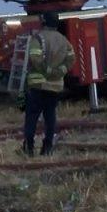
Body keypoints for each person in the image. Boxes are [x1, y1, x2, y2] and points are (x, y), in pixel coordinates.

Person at [22, 12, 74, 157]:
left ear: (43, 22)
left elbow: (35, 58)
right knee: (50, 117)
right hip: (55, 86)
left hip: (38, 86)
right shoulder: (63, 40)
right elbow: (71, 58)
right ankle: (48, 147)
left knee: (32, 117)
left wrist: (48, 70)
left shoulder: (38, 38)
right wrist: (60, 71)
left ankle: (29, 148)